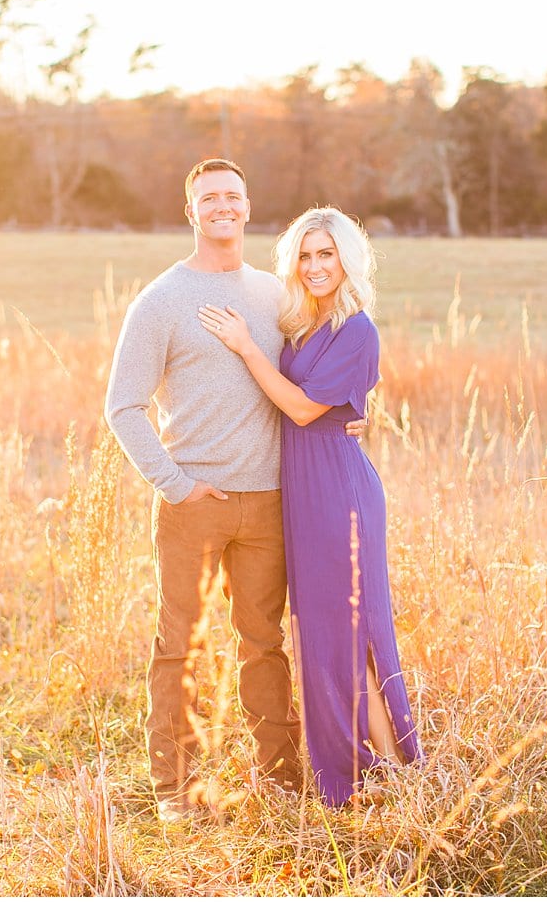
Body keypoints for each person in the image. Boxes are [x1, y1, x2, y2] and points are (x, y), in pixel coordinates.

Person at [104, 159, 365, 821]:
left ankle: (278, 779)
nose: (221, 205)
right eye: (208, 197)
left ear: (247, 208)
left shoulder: (272, 296)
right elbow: (123, 406)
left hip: (272, 501)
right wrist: (175, 483)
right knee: (178, 645)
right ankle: (175, 790)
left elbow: (318, 362)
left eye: (232, 196)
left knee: (264, 643)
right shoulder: (160, 300)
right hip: (194, 504)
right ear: (191, 212)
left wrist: (352, 406)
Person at [198, 206, 421, 806]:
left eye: (327, 254)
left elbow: (300, 410)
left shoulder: (358, 328)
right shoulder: (298, 322)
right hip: (303, 490)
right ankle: (367, 767)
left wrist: (247, 349)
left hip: (339, 496)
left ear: (348, 258)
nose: (317, 266)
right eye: (306, 255)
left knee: (353, 634)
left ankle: (400, 772)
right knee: (323, 635)